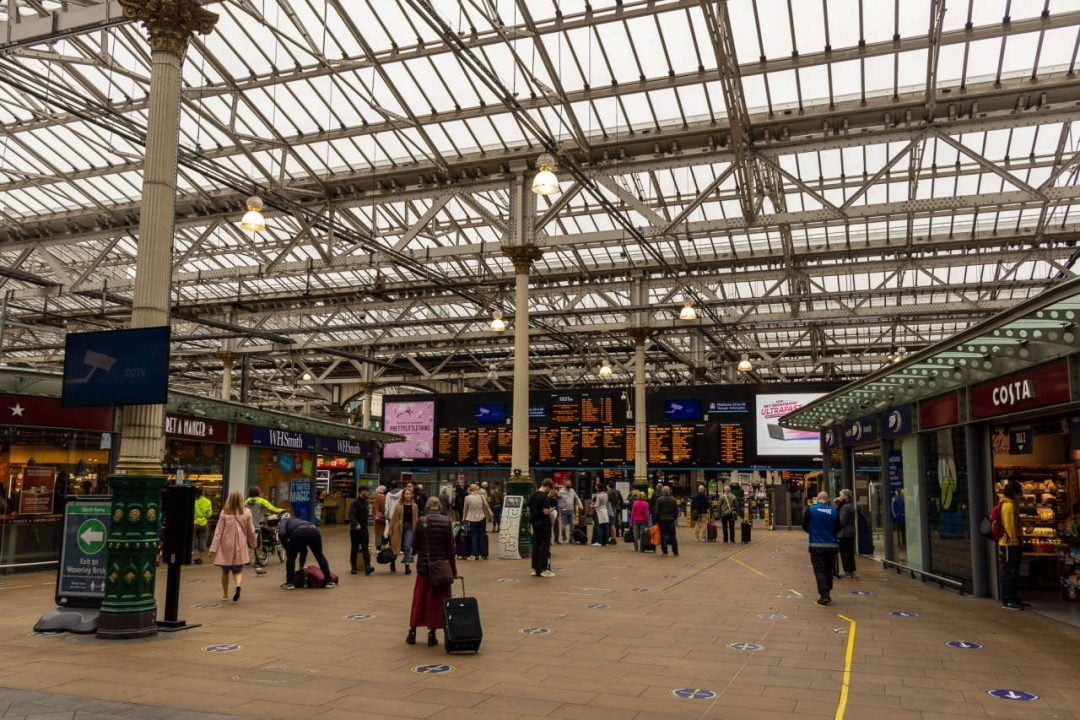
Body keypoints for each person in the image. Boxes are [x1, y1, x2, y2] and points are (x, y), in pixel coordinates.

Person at [408, 497, 459, 647]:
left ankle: (412, 632)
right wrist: (454, 571)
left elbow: (415, 546)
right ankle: (432, 634)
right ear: (440, 506)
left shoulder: (422, 521)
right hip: (441, 569)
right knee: (437, 602)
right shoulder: (447, 522)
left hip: (424, 568)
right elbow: (451, 549)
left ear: (427, 506)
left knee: (419, 600)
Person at [209, 491, 256, 602]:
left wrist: (212, 549)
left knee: (225, 571)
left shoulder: (224, 512)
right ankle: (238, 585)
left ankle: (225, 595)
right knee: (238, 569)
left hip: (226, 545)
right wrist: (253, 544)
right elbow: (251, 531)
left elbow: (218, 532)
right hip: (240, 544)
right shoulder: (247, 512)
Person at [802, 491, 840, 605]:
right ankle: (828, 588)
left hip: (816, 545)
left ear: (817, 499)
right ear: (827, 499)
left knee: (819, 570)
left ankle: (824, 594)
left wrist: (813, 532)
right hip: (831, 545)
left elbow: (804, 525)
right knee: (828, 568)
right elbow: (839, 526)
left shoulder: (811, 510)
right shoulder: (834, 511)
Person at [278, 516, 335, 589]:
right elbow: (304, 551)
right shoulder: (298, 520)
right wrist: (301, 567)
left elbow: (282, 533)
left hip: (299, 532)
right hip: (314, 530)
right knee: (320, 556)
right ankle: (329, 582)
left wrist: (287, 548)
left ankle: (290, 583)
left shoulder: (283, 521)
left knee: (291, 556)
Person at [998, 479, 1025, 611]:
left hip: (1011, 543)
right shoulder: (1008, 506)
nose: (1021, 494)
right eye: (1020, 492)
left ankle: (1013, 597)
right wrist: (1015, 540)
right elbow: (1009, 527)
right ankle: (1007, 599)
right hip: (1009, 543)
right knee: (1009, 571)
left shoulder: (1010, 504)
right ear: (1014, 492)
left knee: (1013, 571)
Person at [386, 486, 420, 574]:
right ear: (403, 495)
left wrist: (417, 531)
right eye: (406, 494)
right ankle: (392, 563)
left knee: (407, 546)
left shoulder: (415, 506)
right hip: (398, 528)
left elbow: (416, 519)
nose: (408, 496)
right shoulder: (398, 506)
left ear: (412, 495)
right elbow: (393, 519)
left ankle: (407, 566)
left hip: (409, 528)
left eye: (409, 494)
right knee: (395, 546)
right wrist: (390, 531)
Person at [529, 479, 556, 577]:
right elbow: (545, 511)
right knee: (544, 546)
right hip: (544, 524)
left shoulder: (533, 495)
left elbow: (529, 508)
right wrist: (552, 510)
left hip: (535, 523)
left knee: (536, 545)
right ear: (548, 486)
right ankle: (544, 569)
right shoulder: (544, 498)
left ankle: (534, 569)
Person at [462, 484, 492, 560]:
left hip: (471, 518)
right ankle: (483, 554)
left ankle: (475, 554)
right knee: (482, 535)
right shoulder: (481, 497)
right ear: (476, 489)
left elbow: (465, 509)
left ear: (470, 489)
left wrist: (464, 517)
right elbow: (486, 505)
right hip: (482, 517)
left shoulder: (467, 498)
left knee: (473, 535)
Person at [348, 486, 374, 576]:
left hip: (364, 529)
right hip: (355, 530)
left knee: (365, 548)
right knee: (354, 548)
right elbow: (351, 515)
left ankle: (367, 566)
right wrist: (356, 524)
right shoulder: (355, 503)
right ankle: (353, 567)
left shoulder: (366, 503)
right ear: (361, 492)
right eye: (367, 491)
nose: (368, 493)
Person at [837, 489, 857, 578]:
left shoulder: (845, 507)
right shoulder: (851, 505)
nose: (839, 497)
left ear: (845, 496)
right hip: (850, 531)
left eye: (840, 495)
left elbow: (841, 520)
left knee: (844, 552)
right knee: (849, 552)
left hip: (845, 533)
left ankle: (847, 571)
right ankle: (851, 570)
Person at [654, 486, 679, 557]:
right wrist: (674, 517)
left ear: (662, 491)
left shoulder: (659, 500)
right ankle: (675, 551)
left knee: (663, 535)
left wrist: (656, 520)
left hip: (662, 520)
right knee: (673, 535)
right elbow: (676, 511)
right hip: (670, 519)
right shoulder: (673, 500)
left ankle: (665, 551)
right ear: (669, 491)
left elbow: (657, 511)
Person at [192, 486, 212, 565]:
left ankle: (190, 557)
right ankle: (201, 558)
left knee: (191, 541)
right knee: (202, 541)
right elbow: (209, 514)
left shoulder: (193, 501)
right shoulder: (207, 501)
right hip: (203, 523)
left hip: (194, 523)